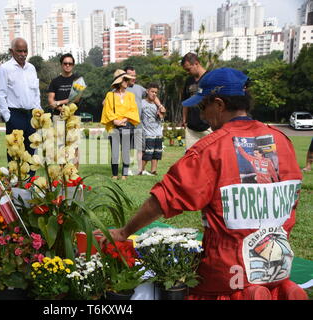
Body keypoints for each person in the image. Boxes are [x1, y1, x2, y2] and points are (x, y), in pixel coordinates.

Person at [100, 68, 307, 300]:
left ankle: (245, 293)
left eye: (202, 107)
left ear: (218, 104)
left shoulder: (211, 149)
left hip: (227, 272)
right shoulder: (281, 140)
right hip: (277, 262)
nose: (203, 116)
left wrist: (124, 231)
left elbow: (164, 199)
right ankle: (278, 290)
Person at [0, 38, 42, 165]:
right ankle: (16, 182)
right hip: (14, 115)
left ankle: (30, 184)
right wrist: (7, 117)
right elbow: (0, 94)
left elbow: (36, 92)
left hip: (31, 115)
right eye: (19, 51)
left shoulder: (31, 68)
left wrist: (38, 111)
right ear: (12, 51)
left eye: (25, 51)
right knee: (14, 152)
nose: (23, 54)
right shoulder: (5, 68)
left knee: (31, 151)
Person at [101, 69, 140, 180]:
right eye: (125, 80)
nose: (127, 82)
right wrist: (115, 121)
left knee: (126, 150)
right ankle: (114, 174)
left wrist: (124, 119)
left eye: (128, 80)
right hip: (114, 127)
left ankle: (124, 174)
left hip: (127, 125)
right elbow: (107, 110)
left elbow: (133, 110)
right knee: (114, 151)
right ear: (119, 81)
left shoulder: (131, 96)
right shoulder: (110, 95)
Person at [124, 66, 164, 174]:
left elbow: (152, 95)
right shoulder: (120, 88)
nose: (133, 78)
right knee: (126, 147)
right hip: (124, 123)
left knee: (140, 148)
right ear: (125, 76)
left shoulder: (139, 88)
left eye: (134, 75)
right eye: (131, 75)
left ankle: (139, 169)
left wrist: (160, 106)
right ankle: (126, 169)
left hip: (138, 123)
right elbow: (107, 102)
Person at [47, 53, 81, 168]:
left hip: (74, 117)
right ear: (61, 65)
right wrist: (60, 107)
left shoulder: (78, 80)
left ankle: (75, 178)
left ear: (73, 65)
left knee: (75, 146)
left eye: (70, 63)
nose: (67, 65)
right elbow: (51, 101)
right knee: (60, 146)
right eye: (65, 63)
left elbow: (76, 98)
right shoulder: (55, 81)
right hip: (58, 116)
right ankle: (62, 177)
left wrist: (59, 102)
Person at [181, 53, 212, 149]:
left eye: (188, 69)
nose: (187, 72)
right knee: (191, 160)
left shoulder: (210, 78)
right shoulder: (188, 81)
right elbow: (185, 101)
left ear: (196, 63)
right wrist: (184, 119)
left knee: (210, 158)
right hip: (191, 129)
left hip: (208, 127)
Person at [139, 83, 166, 176]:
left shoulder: (157, 104)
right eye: (152, 91)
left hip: (158, 131)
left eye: (156, 92)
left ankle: (153, 170)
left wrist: (161, 114)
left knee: (157, 152)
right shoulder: (141, 103)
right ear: (147, 91)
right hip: (147, 132)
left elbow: (162, 117)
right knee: (147, 153)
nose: (154, 94)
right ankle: (140, 170)